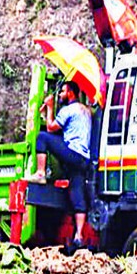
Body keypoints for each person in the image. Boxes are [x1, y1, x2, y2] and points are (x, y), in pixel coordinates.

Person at [30, 81, 92, 248]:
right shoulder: (86, 110)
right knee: (76, 193)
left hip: (72, 152)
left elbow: (51, 128)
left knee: (42, 138)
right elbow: (62, 130)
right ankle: (79, 236)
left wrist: (50, 107)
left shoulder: (69, 109)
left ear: (71, 92)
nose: (60, 95)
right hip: (83, 159)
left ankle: (41, 173)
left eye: (62, 92)